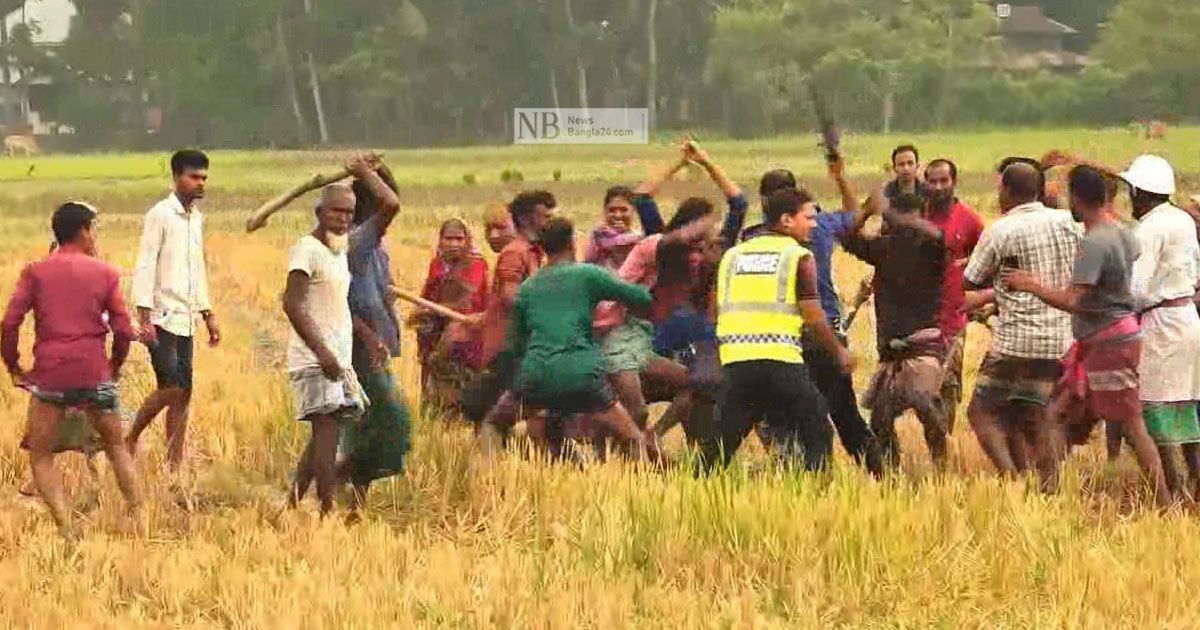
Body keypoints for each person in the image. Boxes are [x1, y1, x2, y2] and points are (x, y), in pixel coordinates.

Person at [1003, 164, 1170, 505]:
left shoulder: (1093, 243)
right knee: (1056, 415)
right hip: (1113, 338)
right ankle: (1047, 494)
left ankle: (1165, 501)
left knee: (1132, 425)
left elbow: (1073, 300)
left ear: (1076, 198)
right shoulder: (1122, 231)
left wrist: (1030, 285)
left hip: (1107, 341)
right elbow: (1130, 259)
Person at [2, 202, 142, 538]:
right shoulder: (106, 273)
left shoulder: (36, 272)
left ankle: (67, 527)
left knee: (40, 455)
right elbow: (123, 330)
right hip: (95, 372)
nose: (96, 236)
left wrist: (15, 366)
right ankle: (138, 517)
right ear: (83, 230)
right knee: (116, 446)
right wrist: (114, 366)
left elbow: (9, 322)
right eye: (94, 228)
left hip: (52, 375)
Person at [701, 188, 854, 472]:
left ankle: (691, 494)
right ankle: (815, 497)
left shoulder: (732, 256)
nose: (814, 224)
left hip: (736, 362)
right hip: (781, 360)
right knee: (817, 430)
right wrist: (839, 352)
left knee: (721, 443)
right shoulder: (798, 256)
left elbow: (713, 314)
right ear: (786, 220)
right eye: (808, 217)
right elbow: (813, 316)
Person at [485, 217, 659, 460]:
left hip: (536, 373)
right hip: (582, 374)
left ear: (544, 248)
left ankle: (488, 479)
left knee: (493, 424)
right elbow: (642, 300)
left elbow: (516, 344)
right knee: (632, 436)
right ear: (572, 243)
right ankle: (642, 484)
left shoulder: (527, 288)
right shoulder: (588, 275)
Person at [963, 161, 1081, 485]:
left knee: (980, 411)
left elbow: (970, 281)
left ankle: (1011, 478)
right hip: (1061, 339)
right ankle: (1049, 483)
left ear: (1007, 191)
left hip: (1015, 343)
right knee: (1037, 414)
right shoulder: (1070, 222)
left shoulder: (1001, 229)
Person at [839, 169, 950, 470]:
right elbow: (847, 239)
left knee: (925, 402)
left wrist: (887, 211)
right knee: (880, 420)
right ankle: (891, 477)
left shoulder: (932, 247)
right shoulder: (884, 249)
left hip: (923, 346)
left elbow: (929, 233)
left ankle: (941, 468)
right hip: (890, 351)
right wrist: (865, 213)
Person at [126, 149, 220, 474]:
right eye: (194, 177)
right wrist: (143, 315)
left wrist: (208, 313)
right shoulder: (160, 215)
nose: (200, 183)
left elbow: (198, 269)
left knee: (185, 392)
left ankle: (173, 463)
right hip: (162, 316)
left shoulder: (196, 218)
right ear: (176, 177)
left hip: (187, 317)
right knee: (171, 386)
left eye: (204, 178)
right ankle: (131, 437)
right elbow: (145, 263)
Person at [283, 172, 369, 517]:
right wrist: (322, 352)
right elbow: (292, 304)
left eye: (349, 213)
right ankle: (326, 508)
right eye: (336, 211)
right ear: (319, 211)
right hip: (316, 359)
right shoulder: (307, 249)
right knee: (327, 430)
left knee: (324, 433)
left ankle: (291, 502)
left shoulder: (338, 251)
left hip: (337, 357)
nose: (343, 219)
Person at [1121, 156, 1200, 499]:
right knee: (1187, 405)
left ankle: (1174, 488)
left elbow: (1136, 289)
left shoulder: (1148, 229)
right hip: (1186, 316)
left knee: (1156, 407)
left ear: (1139, 192)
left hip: (1160, 323)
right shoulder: (1182, 219)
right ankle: (1194, 486)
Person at [338, 158, 412, 521]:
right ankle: (325, 482)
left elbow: (379, 293)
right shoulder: (354, 241)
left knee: (368, 426)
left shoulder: (375, 248)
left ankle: (351, 502)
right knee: (390, 422)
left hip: (376, 349)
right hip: (357, 349)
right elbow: (339, 305)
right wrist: (365, 173)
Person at [472, 191, 555, 445]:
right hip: (508, 348)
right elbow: (511, 298)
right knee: (503, 417)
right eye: (545, 217)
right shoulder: (515, 253)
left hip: (521, 346)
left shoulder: (533, 252)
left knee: (522, 412)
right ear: (526, 219)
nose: (549, 223)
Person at [923, 158, 986, 434]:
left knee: (947, 386)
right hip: (917, 317)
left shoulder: (969, 219)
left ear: (954, 182)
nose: (938, 187)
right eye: (932, 181)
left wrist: (970, 267)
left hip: (953, 318)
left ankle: (943, 444)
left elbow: (989, 258)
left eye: (943, 181)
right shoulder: (916, 216)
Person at [415, 218, 489, 412]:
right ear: (440, 240)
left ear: (467, 241)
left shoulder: (476, 265)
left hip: (464, 338)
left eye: (459, 239)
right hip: (435, 335)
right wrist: (419, 312)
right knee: (433, 394)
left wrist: (430, 309)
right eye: (449, 239)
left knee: (458, 394)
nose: (454, 244)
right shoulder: (437, 264)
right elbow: (428, 293)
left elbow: (466, 304)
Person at [584, 186, 645, 270]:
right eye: (612, 210)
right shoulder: (598, 233)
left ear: (633, 210)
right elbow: (616, 241)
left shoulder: (640, 239)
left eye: (623, 210)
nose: (618, 215)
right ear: (605, 211)